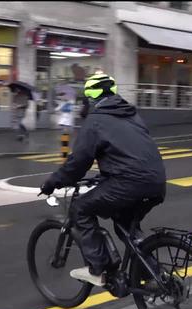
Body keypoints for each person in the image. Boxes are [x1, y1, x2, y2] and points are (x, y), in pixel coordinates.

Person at [39, 74, 167, 286]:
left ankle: (99, 268)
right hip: (156, 182)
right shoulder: (132, 115)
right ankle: (153, 275)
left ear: (90, 99)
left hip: (128, 183)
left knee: (80, 209)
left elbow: (78, 162)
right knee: (125, 225)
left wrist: (53, 182)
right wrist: (104, 176)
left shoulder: (95, 120)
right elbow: (129, 154)